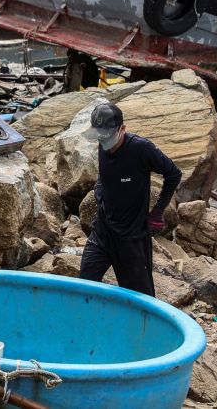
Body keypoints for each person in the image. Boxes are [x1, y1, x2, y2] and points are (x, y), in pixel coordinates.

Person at [77, 101, 182, 297]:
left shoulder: (141, 149)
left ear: (122, 129)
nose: (104, 141)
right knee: (85, 285)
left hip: (131, 237)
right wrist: (100, 192)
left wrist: (158, 211)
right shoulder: (103, 143)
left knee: (140, 298)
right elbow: (106, 174)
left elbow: (174, 174)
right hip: (102, 232)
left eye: (108, 136)